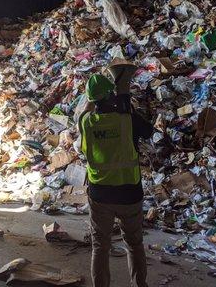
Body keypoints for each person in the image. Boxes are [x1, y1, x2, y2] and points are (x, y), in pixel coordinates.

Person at [78, 73, 153, 287]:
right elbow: (148, 131)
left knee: (100, 246)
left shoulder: (86, 122)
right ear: (111, 95)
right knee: (134, 244)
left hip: (100, 194)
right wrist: (125, 102)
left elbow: (85, 112)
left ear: (91, 100)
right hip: (129, 193)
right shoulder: (127, 120)